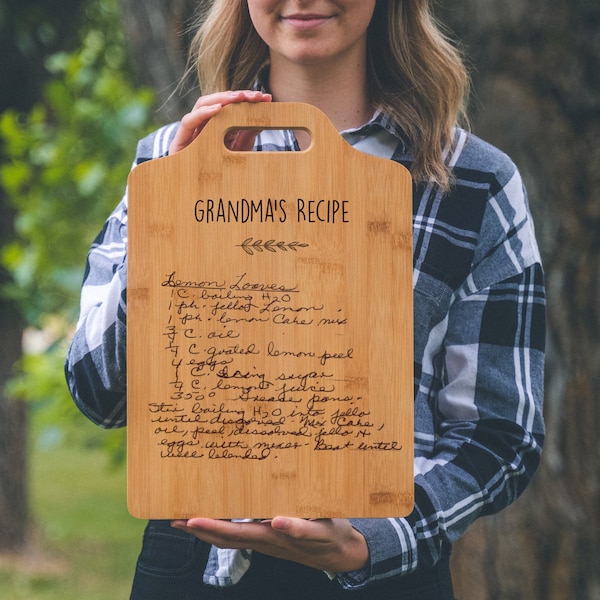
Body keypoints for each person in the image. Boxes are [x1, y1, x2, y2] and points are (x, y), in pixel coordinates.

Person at [65, 1, 546, 598]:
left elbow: (503, 432)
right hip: (192, 567)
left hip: (383, 575)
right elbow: (97, 393)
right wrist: (171, 221)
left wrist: (373, 540)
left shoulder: (474, 181)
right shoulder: (171, 159)